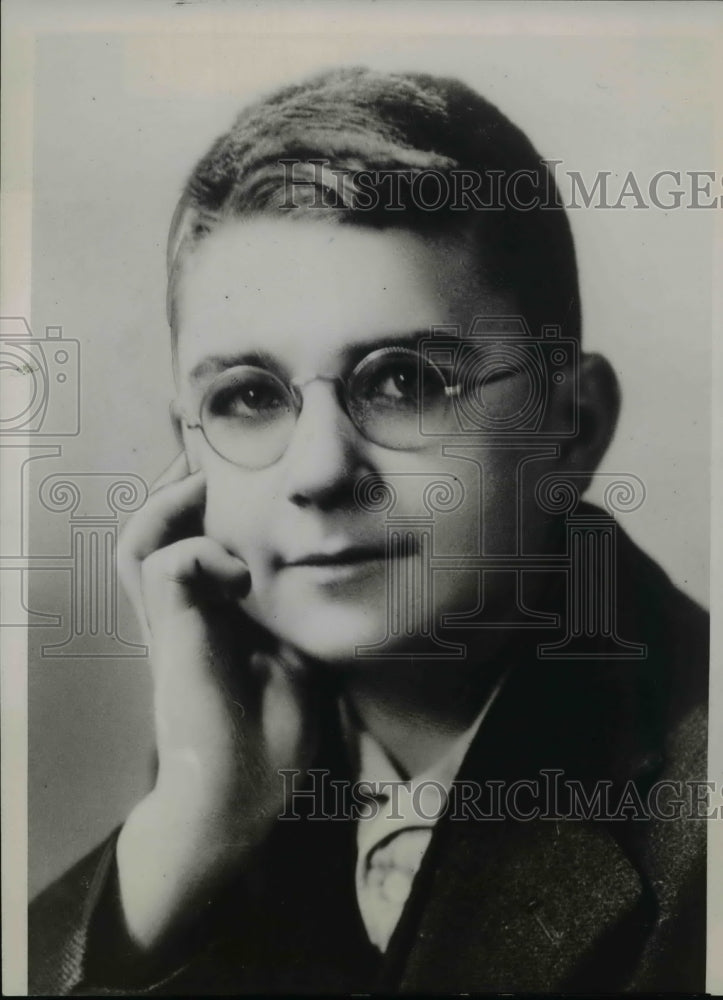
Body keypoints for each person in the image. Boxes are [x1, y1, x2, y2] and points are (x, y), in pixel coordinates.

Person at [29, 66, 708, 994]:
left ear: (572, 425)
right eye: (250, 397)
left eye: (405, 382)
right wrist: (183, 835)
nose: (316, 471)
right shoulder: (234, 763)